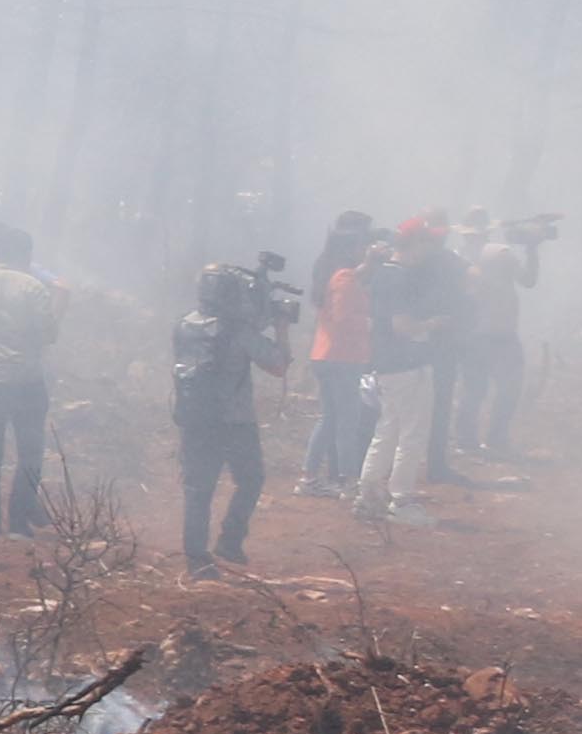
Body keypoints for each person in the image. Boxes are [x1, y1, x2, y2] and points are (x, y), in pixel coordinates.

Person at [172, 260, 286, 574]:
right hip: (235, 422)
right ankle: (230, 540)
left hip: (194, 418)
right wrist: (282, 328)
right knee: (251, 480)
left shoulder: (184, 325)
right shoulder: (239, 332)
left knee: (198, 489)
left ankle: (196, 557)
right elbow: (278, 365)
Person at [352, 214, 462, 521]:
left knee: (387, 428)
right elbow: (402, 326)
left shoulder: (383, 274)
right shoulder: (400, 277)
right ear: (416, 243)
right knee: (412, 433)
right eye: (429, 242)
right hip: (407, 364)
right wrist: (432, 323)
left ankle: (369, 494)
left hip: (386, 362)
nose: (431, 250)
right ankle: (401, 501)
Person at [0, 221, 63, 538]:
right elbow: (48, 333)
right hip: (25, 378)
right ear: (27, 255)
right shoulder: (33, 287)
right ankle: (18, 523)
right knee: (29, 453)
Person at [301, 210, 380, 492]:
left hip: (327, 354)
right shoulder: (345, 277)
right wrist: (372, 323)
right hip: (342, 357)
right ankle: (348, 481)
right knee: (347, 421)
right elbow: (343, 317)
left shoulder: (331, 271)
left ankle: (310, 478)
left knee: (331, 419)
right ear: (352, 249)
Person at [456, 211, 541, 459]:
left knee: (473, 388)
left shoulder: (458, 255)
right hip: (500, 333)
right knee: (509, 387)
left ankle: (466, 439)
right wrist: (532, 249)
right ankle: (496, 437)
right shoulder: (501, 253)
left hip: (471, 333)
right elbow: (529, 280)